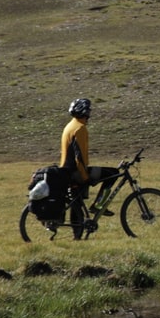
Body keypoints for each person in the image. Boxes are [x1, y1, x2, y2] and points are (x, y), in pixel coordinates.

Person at [59, 97, 103, 234]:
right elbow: (80, 157)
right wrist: (85, 177)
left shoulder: (70, 125)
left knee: (76, 201)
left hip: (66, 171)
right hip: (76, 171)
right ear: (85, 112)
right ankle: (99, 205)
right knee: (111, 173)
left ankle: (77, 234)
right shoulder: (80, 129)